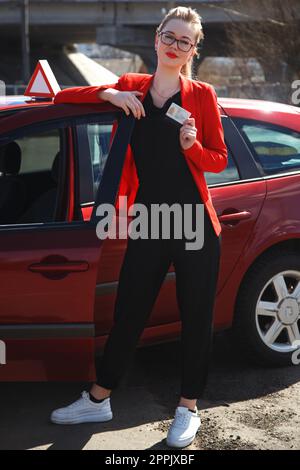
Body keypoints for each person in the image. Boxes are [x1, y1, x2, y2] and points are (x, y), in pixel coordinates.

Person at [50, 5, 227, 449]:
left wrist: (193, 147)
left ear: (193, 50)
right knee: (129, 309)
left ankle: (188, 408)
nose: (174, 45)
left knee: (196, 316)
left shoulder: (202, 95)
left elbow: (219, 160)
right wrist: (109, 96)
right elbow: (60, 97)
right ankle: (99, 397)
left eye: (185, 41)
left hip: (193, 224)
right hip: (148, 219)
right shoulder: (132, 87)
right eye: (169, 36)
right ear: (156, 39)